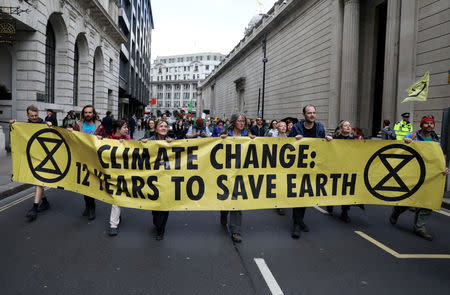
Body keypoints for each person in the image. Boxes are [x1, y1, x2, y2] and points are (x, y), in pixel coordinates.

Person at [389, 115, 449, 241]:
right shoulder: (413, 136)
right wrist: (406, 141)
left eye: (431, 123)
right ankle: (397, 210)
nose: (429, 125)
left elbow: (438, 157)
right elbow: (400, 146)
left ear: (434, 125)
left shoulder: (436, 140)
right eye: (426, 123)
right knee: (410, 199)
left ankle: (420, 228)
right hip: (414, 173)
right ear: (421, 125)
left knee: (428, 201)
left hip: (430, 175)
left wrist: (444, 168)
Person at [289, 105, 333, 239]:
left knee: (306, 194)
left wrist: (328, 139)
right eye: (309, 113)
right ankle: (297, 224)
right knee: (298, 194)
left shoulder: (319, 127)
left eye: (314, 113)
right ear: (304, 115)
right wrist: (293, 138)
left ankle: (300, 220)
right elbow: (287, 144)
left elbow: (322, 144)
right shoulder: (297, 127)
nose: (312, 115)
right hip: (298, 166)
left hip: (313, 167)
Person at [10, 105, 52, 221]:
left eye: (36, 115)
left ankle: (34, 208)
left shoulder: (44, 124)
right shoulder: (25, 126)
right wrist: (13, 125)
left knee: (38, 181)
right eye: (32, 116)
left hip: (44, 159)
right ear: (27, 115)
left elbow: (54, 137)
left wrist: (50, 127)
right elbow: (17, 137)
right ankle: (45, 202)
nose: (34, 117)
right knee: (36, 181)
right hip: (31, 158)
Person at [220, 113, 256, 243]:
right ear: (234, 122)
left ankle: (236, 231)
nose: (242, 123)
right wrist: (220, 139)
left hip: (241, 173)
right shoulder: (226, 135)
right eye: (239, 121)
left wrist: (254, 140)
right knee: (226, 196)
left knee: (237, 200)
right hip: (226, 171)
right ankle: (223, 212)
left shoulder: (247, 136)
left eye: (243, 121)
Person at [72, 105, 106, 220]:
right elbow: (72, 139)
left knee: (92, 184)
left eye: (90, 112)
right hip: (81, 159)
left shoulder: (99, 126)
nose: (87, 114)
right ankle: (88, 206)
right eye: (86, 112)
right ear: (83, 113)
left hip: (94, 159)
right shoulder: (78, 125)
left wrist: (100, 138)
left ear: (93, 114)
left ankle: (92, 208)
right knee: (84, 184)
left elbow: (105, 140)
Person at [142, 119, 173, 240]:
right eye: (161, 126)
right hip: (152, 178)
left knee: (164, 204)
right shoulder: (150, 141)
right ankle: (156, 221)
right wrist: (142, 142)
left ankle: (161, 229)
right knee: (155, 206)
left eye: (166, 126)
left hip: (166, 177)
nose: (164, 128)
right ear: (155, 129)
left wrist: (172, 143)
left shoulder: (172, 141)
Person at [326, 121, 354, 222]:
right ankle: (330, 202)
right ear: (341, 128)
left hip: (348, 168)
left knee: (347, 190)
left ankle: (344, 212)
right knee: (334, 187)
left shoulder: (354, 140)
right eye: (346, 125)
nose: (348, 127)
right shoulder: (335, 139)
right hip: (336, 168)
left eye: (349, 125)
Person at [107, 119, 130, 236]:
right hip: (109, 172)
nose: (127, 129)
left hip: (123, 173)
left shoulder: (128, 141)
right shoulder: (108, 139)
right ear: (117, 129)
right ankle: (115, 219)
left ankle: (113, 224)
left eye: (127, 127)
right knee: (114, 198)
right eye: (125, 127)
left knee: (116, 198)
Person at [272, 121, 288, 215]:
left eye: (285, 126)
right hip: (276, 164)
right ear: (277, 128)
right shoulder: (273, 138)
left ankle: (281, 203)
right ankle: (279, 205)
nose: (283, 127)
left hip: (286, 165)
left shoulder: (289, 137)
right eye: (281, 126)